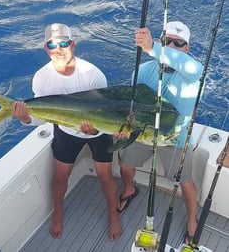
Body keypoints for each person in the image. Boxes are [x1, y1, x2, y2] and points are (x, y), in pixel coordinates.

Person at [12, 23, 122, 240]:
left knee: (105, 176)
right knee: (61, 176)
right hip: (65, 132)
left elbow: (105, 115)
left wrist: (92, 132)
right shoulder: (41, 78)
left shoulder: (93, 75)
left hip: (97, 133)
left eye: (63, 43)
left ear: (73, 44)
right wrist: (25, 119)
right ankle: (58, 213)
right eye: (52, 44)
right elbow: (41, 118)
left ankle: (113, 215)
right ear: (46, 48)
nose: (59, 49)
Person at [117, 21, 204, 245]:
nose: (173, 46)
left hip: (176, 139)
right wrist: (124, 128)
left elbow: (194, 68)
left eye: (179, 43)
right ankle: (129, 189)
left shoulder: (192, 73)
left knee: (185, 182)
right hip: (143, 133)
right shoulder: (142, 71)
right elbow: (131, 107)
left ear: (187, 48)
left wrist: (153, 47)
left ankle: (192, 219)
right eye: (168, 41)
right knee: (125, 164)